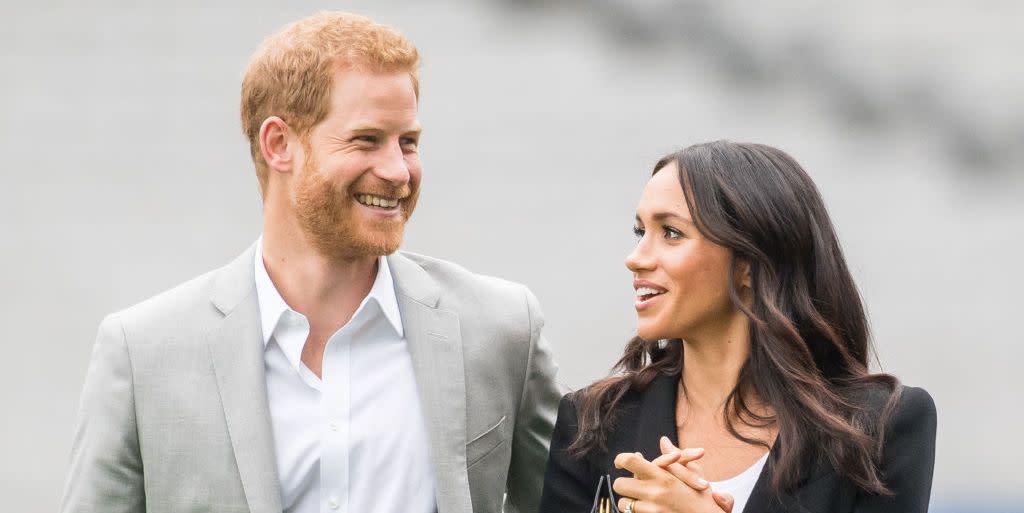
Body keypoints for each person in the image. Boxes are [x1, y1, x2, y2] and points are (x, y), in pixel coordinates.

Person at [61, 12, 561, 513]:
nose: (397, 171)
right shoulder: (141, 353)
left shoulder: (501, 330)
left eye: (408, 142)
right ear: (279, 145)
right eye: (366, 139)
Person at [539, 141, 936, 513]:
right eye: (640, 232)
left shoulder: (881, 425)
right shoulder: (592, 422)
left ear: (748, 263)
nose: (635, 258)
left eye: (671, 233)